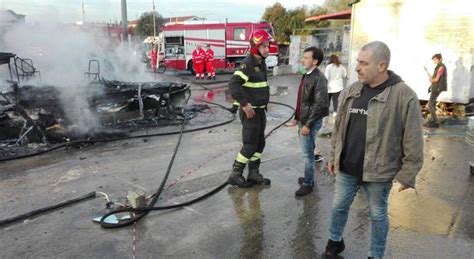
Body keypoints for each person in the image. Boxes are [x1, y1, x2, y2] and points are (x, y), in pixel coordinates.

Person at [324, 41, 424, 259]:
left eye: (363, 63)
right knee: (338, 207)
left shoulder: (404, 95)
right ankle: (334, 242)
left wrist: (407, 174)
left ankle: (375, 255)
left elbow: (414, 139)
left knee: (378, 215)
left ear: (381, 66)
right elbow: (339, 127)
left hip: (378, 172)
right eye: (357, 62)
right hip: (347, 167)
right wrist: (333, 156)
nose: (357, 67)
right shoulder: (352, 89)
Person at [227, 29, 274, 188]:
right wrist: (244, 105)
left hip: (260, 111)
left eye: (268, 46)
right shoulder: (248, 64)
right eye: (264, 46)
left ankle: (253, 173)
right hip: (251, 113)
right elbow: (234, 85)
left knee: (260, 144)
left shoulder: (261, 63)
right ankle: (235, 174)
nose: (267, 49)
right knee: (249, 145)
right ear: (255, 47)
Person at [294, 46, 329, 196]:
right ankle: (309, 178)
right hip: (304, 119)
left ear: (315, 61)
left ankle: (308, 184)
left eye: (307, 58)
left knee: (308, 155)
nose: (303, 60)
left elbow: (319, 103)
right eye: (304, 57)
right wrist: (297, 119)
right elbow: (303, 101)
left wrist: (308, 124)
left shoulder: (319, 78)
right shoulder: (307, 74)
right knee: (307, 152)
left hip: (311, 121)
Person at [425, 53, 447, 128]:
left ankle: (435, 122)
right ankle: (432, 120)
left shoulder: (441, 67)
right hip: (435, 87)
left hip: (437, 88)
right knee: (432, 104)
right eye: (433, 60)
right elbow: (434, 79)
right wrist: (431, 83)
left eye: (435, 59)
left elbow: (436, 79)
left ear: (440, 59)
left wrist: (432, 80)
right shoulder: (438, 67)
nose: (434, 61)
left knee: (430, 104)